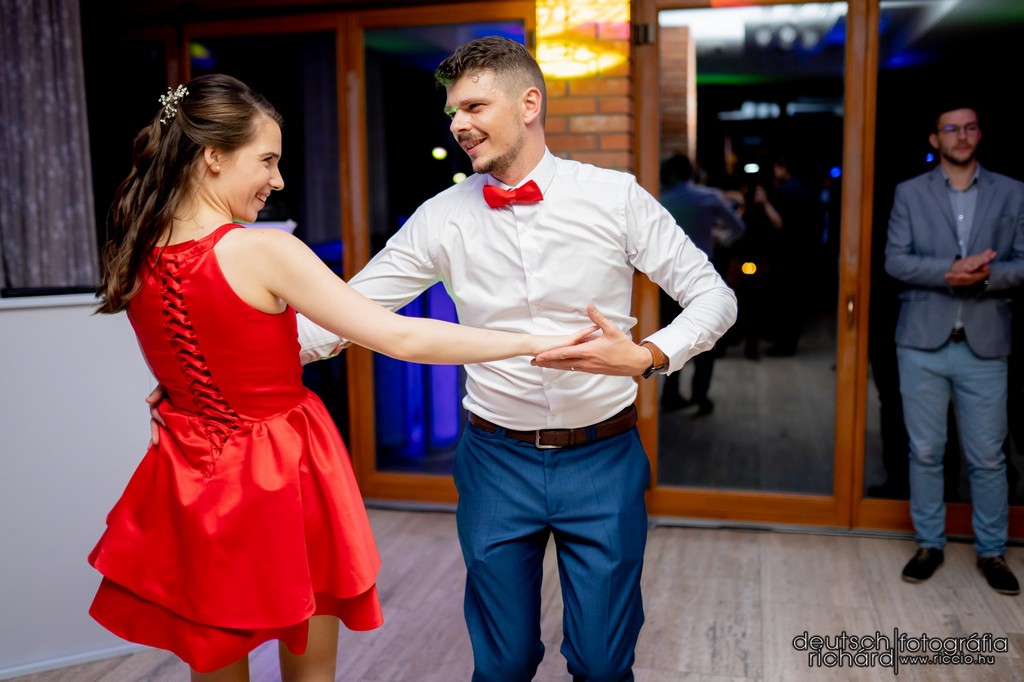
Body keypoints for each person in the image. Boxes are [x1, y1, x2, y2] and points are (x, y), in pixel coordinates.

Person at [88, 73, 594, 682]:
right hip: (279, 468)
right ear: (213, 156)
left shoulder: (139, 250)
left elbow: (205, 351)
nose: (278, 180)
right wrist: (534, 341)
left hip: (189, 471)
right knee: (309, 663)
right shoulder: (261, 250)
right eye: (267, 160)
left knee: (216, 657)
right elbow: (401, 337)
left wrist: (183, 390)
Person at [296, 36, 736, 680]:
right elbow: (343, 312)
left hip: (604, 455)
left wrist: (648, 354)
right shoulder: (440, 217)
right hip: (494, 460)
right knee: (501, 663)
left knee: (603, 664)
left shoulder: (614, 197)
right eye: (453, 112)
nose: (458, 124)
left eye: (474, 106)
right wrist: (206, 366)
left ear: (529, 103)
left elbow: (714, 297)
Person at [885, 102, 1024, 596]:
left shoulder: (1012, 191)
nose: (961, 136)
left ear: (979, 135)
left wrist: (981, 277)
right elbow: (896, 261)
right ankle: (929, 545)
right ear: (935, 139)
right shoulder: (909, 193)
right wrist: (950, 272)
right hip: (922, 342)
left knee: (987, 457)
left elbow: (1021, 262)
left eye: (969, 128)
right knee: (925, 451)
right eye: (951, 129)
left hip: (985, 344)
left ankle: (992, 552)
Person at [657, 153, 745, 415]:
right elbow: (738, 228)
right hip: (703, 277)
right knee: (707, 338)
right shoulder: (709, 197)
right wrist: (720, 239)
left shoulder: (659, 202)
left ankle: (670, 396)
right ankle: (700, 397)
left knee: (671, 337)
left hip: (669, 279)